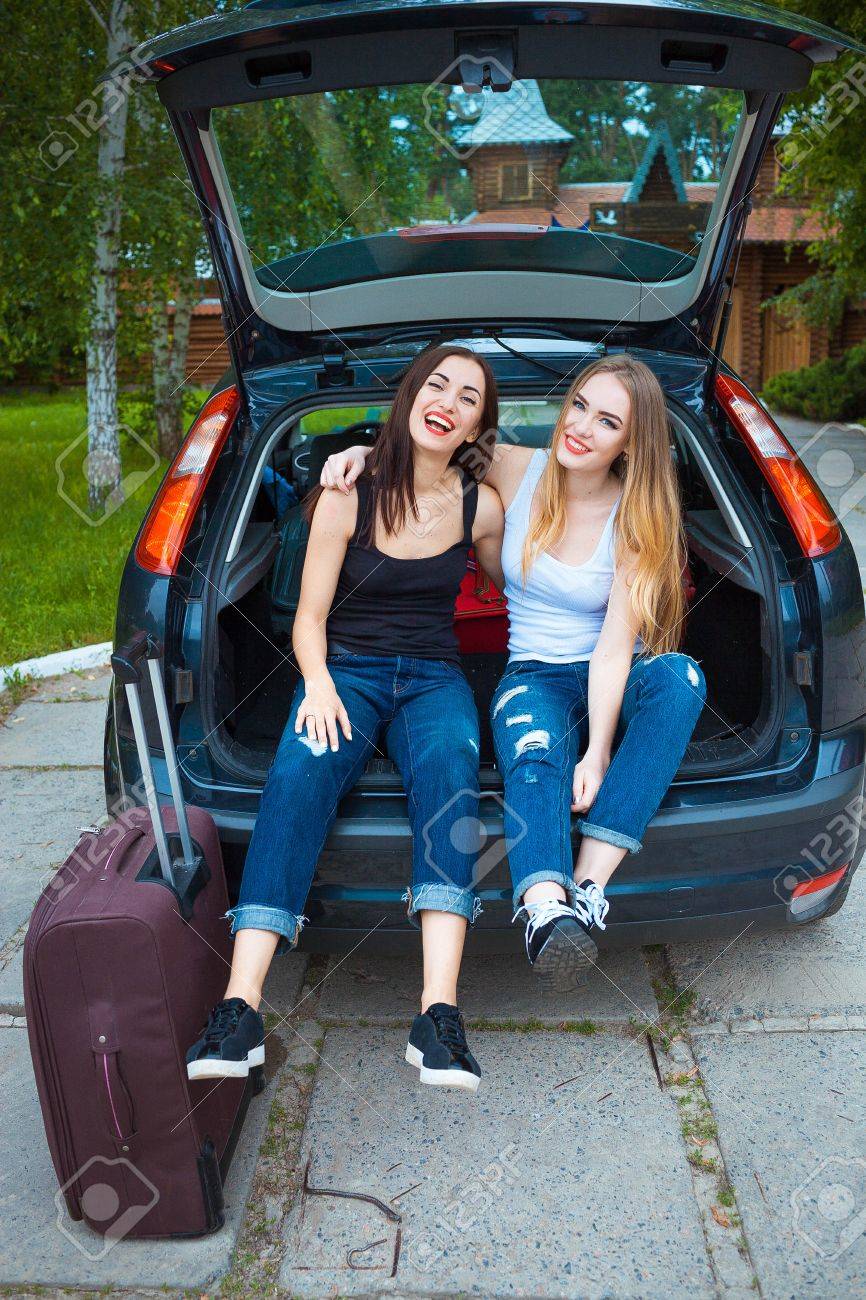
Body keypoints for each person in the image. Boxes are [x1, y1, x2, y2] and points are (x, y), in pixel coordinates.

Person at [319, 353, 707, 991]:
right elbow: (430, 445)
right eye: (578, 405)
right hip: (532, 672)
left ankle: (587, 889)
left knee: (682, 679)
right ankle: (544, 908)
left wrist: (598, 755)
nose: (579, 427)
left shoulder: (636, 518)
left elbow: (614, 650)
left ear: (630, 444)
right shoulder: (515, 466)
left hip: (613, 672)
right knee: (535, 754)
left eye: (607, 422)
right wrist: (359, 454)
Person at [186, 345, 504, 1090]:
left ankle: (438, 1019)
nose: (448, 403)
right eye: (436, 386)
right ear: (409, 395)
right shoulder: (346, 493)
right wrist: (319, 686)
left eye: (468, 399)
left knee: (451, 771)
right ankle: (239, 1012)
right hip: (346, 671)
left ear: (477, 427)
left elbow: (511, 578)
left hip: (434, 678)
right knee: (298, 771)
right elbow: (308, 619)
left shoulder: (480, 505)